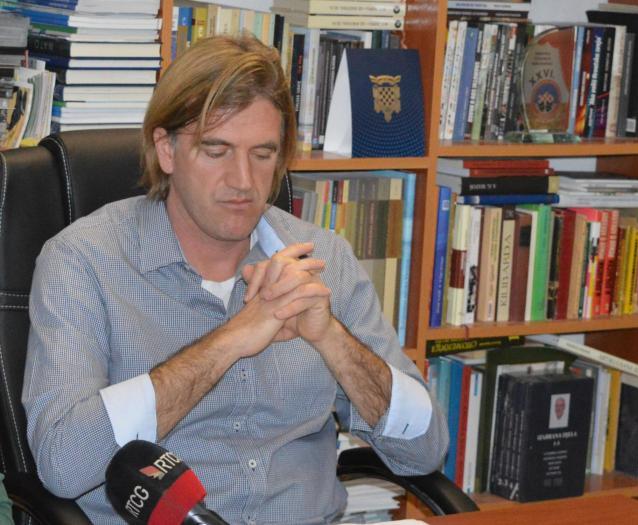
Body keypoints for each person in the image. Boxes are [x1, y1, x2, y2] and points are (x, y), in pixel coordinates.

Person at [22, 34, 447, 523]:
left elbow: (424, 451)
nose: (243, 181)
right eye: (217, 150)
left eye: (262, 154)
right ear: (166, 149)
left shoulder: (322, 259)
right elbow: (63, 464)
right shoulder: (83, 262)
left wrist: (332, 338)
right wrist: (230, 341)